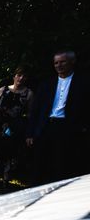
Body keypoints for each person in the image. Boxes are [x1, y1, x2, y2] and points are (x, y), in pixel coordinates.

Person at [27, 50, 89, 184]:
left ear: (72, 62)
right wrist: (31, 133)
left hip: (68, 128)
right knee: (41, 163)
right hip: (46, 126)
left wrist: (83, 127)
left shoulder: (83, 83)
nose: (59, 65)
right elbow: (35, 110)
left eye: (62, 62)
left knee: (63, 164)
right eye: (56, 63)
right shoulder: (46, 84)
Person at [0, 66, 34, 186]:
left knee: (11, 151)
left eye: (24, 76)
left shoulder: (29, 94)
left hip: (14, 126)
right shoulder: (4, 89)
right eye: (19, 75)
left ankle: (6, 179)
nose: (21, 78)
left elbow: (31, 113)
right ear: (14, 76)